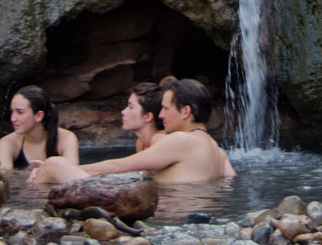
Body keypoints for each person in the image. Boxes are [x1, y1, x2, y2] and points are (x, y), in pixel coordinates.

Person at [30, 78, 236, 185]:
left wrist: (68, 167)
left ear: (185, 111)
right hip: (189, 215)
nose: (161, 115)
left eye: (165, 108)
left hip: (169, 216)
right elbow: (229, 182)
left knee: (54, 165)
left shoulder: (183, 140)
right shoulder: (219, 152)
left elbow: (123, 165)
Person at [0, 86, 79, 172]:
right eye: (12, 111)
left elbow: (73, 175)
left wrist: (49, 171)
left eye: (20, 112)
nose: (12, 118)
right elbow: (5, 179)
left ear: (39, 116)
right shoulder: (7, 143)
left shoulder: (66, 138)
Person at [121, 81, 165, 150]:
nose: (123, 112)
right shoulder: (140, 143)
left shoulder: (159, 140)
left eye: (131, 107)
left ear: (147, 117)